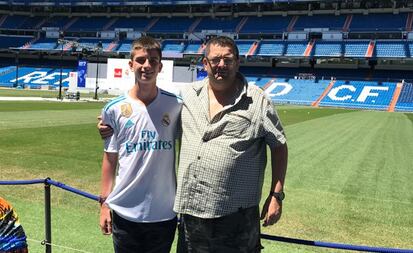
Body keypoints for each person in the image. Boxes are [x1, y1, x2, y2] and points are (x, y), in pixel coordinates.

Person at [99, 36, 288, 253]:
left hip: (237, 219)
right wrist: (108, 125)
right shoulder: (187, 96)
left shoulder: (258, 100)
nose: (221, 65)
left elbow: (279, 146)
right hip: (192, 216)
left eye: (228, 59)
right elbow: (143, 123)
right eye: (215, 60)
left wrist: (276, 195)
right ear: (205, 64)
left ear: (237, 62)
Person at [98, 36, 182, 253]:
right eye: (141, 60)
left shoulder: (175, 105)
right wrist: (104, 205)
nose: (147, 66)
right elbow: (110, 158)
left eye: (153, 61)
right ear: (131, 65)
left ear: (160, 66)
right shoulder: (113, 109)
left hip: (164, 212)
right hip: (125, 212)